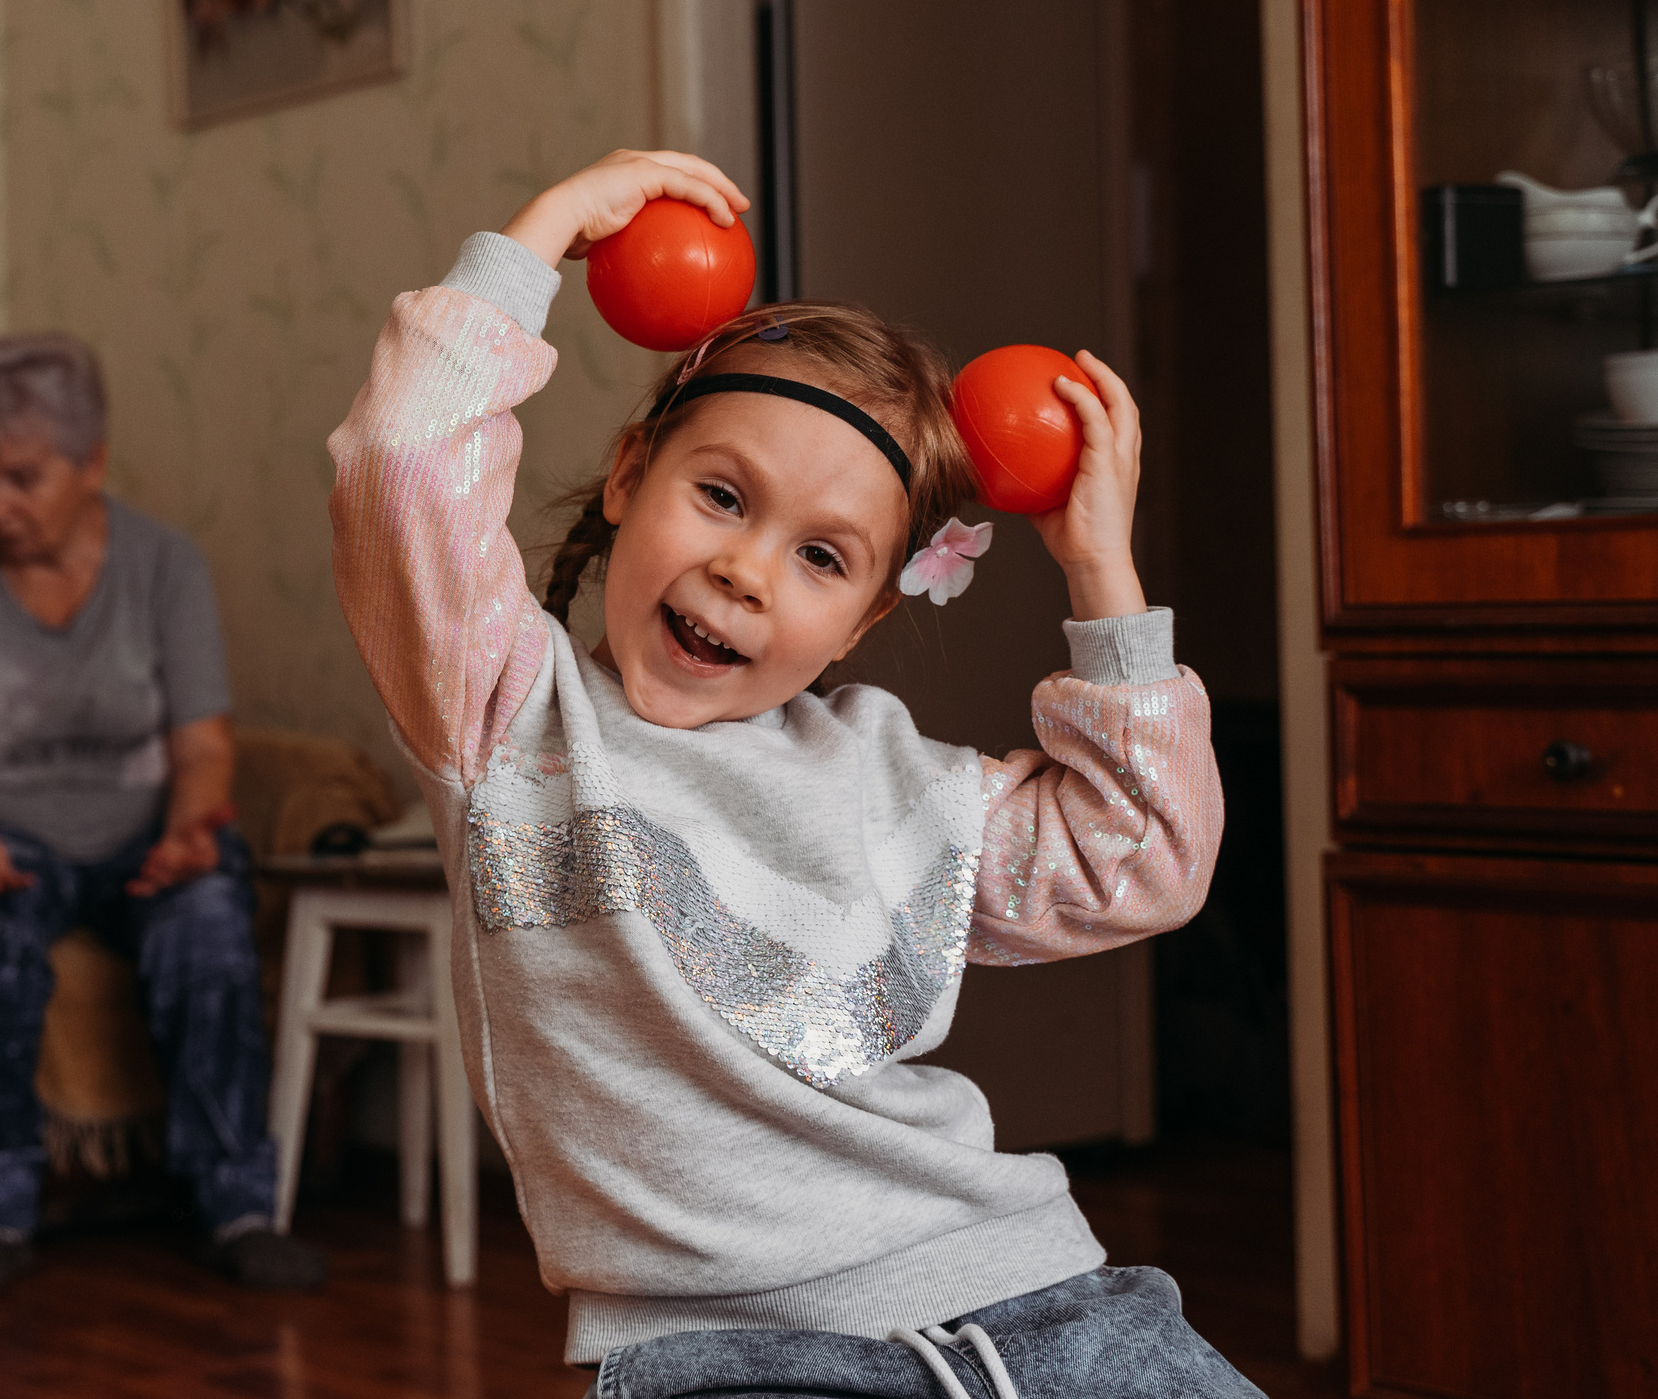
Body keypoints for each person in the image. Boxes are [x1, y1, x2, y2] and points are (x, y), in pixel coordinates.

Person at [328, 149, 1255, 1397]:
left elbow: (1138, 862)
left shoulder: (889, 775)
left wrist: (1101, 572)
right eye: (720, 496)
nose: (748, 571)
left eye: (822, 558)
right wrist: (537, 239)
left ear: (865, 621)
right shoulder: (506, 719)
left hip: (1042, 1299)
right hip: (721, 1354)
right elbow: (399, 462)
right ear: (626, 476)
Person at [0, 331, 323, 1300]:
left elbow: (204, 746)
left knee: (209, 923)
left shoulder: (166, 566)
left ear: (92, 464)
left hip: (143, 833)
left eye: (21, 478)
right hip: (1, 836)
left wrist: (187, 827)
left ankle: (237, 1207)